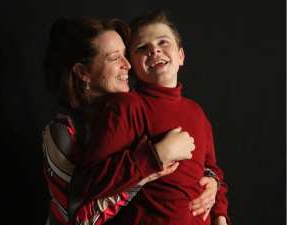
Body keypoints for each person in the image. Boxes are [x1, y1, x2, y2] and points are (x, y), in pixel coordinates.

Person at [42, 17, 219, 225]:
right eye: (114, 58)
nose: (127, 65)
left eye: (125, 55)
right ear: (83, 73)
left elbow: (198, 164)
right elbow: (80, 219)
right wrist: (150, 165)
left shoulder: (137, 110)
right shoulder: (61, 133)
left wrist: (211, 184)